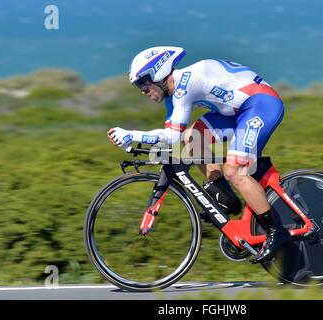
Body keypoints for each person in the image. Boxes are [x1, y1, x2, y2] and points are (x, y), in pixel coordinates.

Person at [107, 46, 290, 263]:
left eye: (143, 83)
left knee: (236, 171)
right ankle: (226, 198)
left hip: (260, 105)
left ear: (157, 74)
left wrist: (132, 134)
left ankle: (277, 232)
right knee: (192, 138)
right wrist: (137, 140)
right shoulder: (171, 95)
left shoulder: (185, 85)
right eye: (138, 86)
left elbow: (171, 136)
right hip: (235, 112)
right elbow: (172, 136)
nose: (142, 90)